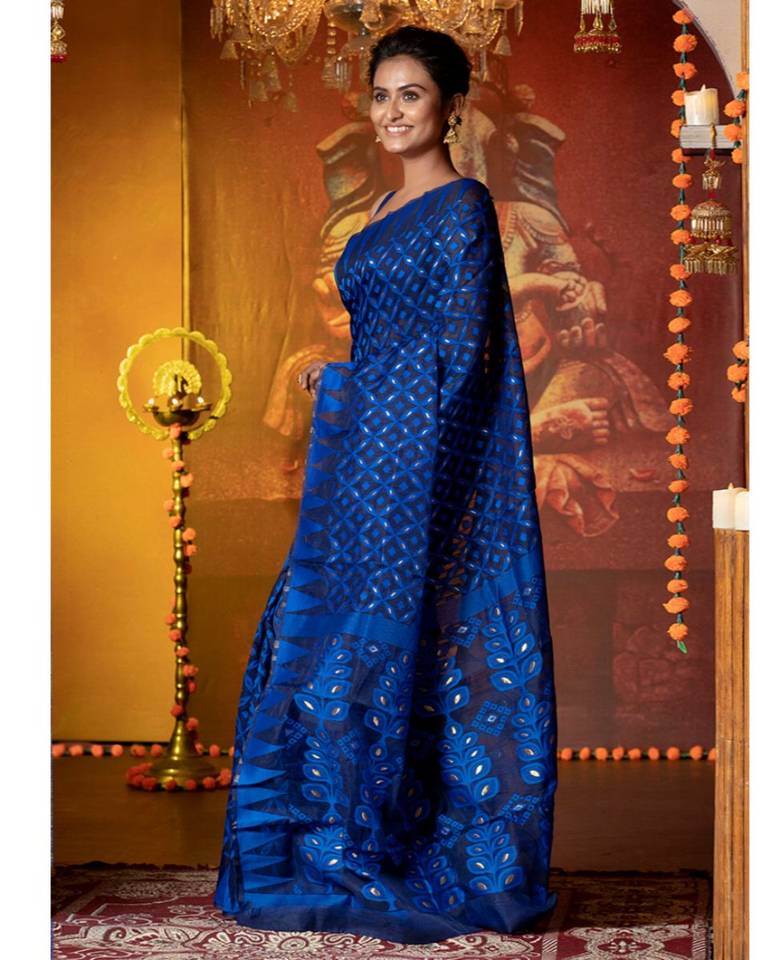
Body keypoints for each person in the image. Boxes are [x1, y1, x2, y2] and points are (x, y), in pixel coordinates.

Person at [215, 25, 559, 944]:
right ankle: (325, 842)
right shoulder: (375, 212)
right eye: (380, 95)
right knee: (314, 645)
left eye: (412, 94)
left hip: (421, 471)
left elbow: (464, 355)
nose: (392, 112)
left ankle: (398, 841)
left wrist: (347, 386)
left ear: (452, 108)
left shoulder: (464, 208)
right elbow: (387, 341)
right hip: (364, 469)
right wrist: (341, 380)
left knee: (403, 653)